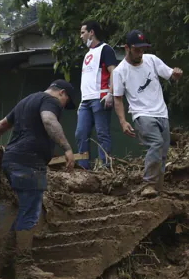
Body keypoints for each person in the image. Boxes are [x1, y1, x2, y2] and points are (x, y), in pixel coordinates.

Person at [0, 80, 77, 279]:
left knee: (24, 210)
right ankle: (24, 266)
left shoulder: (26, 101)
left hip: (11, 160)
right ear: (62, 93)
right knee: (29, 212)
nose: (63, 106)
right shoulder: (50, 101)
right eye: (66, 101)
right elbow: (48, 120)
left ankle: (8, 263)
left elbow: (2, 125)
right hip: (29, 163)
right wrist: (67, 148)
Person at [113, 30, 183, 197]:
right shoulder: (120, 71)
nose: (140, 53)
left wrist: (176, 74)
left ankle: (157, 190)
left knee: (163, 153)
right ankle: (148, 184)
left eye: (143, 49)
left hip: (161, 113)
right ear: (127, 48)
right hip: (141, 113)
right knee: (156, 143)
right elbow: (117, 99)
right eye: (137, 49)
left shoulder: (151, 60)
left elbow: (170, 75)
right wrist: (123, 121)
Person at [76, 21, 118, 169]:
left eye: (83, 32)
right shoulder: (88, 54)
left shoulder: (105, 49)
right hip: (86, 101)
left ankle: (104, 168)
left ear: (91, 32)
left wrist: (111, 94)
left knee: (102, 134)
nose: (81, 36)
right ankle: (83, 168)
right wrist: (81, 101)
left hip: (100, 98)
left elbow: (114, 71)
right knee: (81, 133)